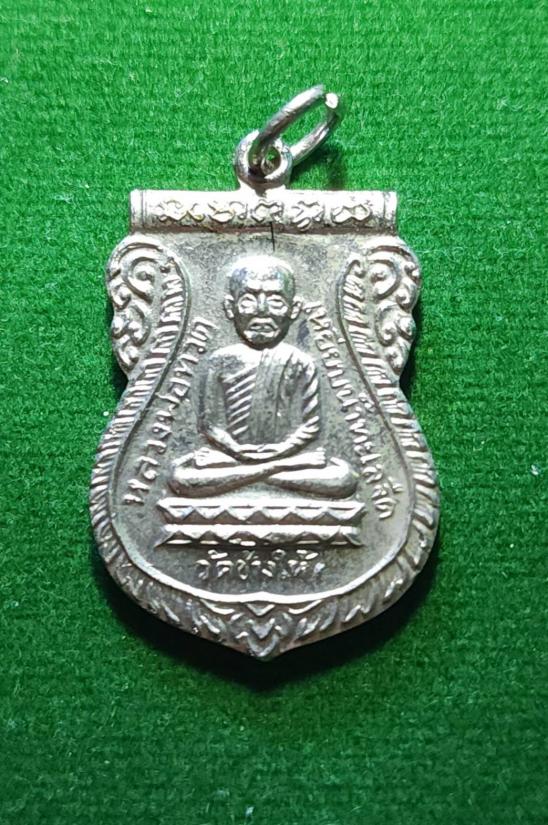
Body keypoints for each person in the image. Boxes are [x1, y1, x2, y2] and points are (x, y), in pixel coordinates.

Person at [169, 255, 358, 498]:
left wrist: (278, 452)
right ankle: (273, 472)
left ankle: (257, 474)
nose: (261, 311)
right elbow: (209, 425)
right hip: (238, 458)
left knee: (343, 478)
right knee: (181, 478)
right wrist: (238, 451)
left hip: (279, 458)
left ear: (294, 309)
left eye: (276, 301)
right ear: (230, 307)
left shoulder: (300, 361)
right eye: (248, 300)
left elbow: (311, 426)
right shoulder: (220, 360)